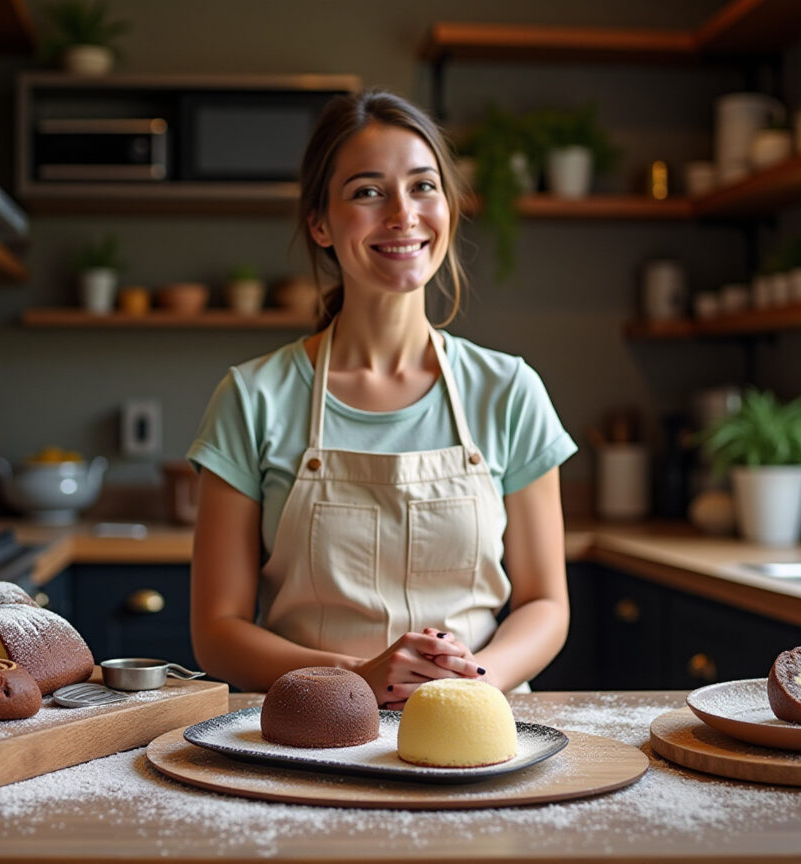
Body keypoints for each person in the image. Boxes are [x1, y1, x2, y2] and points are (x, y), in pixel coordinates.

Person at [187, 88, 576, 709]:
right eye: (368, 192)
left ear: (448, 206)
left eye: (424, 186)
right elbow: (217, 632)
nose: (403, 214)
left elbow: (545, 604)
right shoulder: (253, 397)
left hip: (479, 724)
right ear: (320, 222)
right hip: (315, 724)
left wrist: (470, 683)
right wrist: (357, 679)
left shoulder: (510, 391)